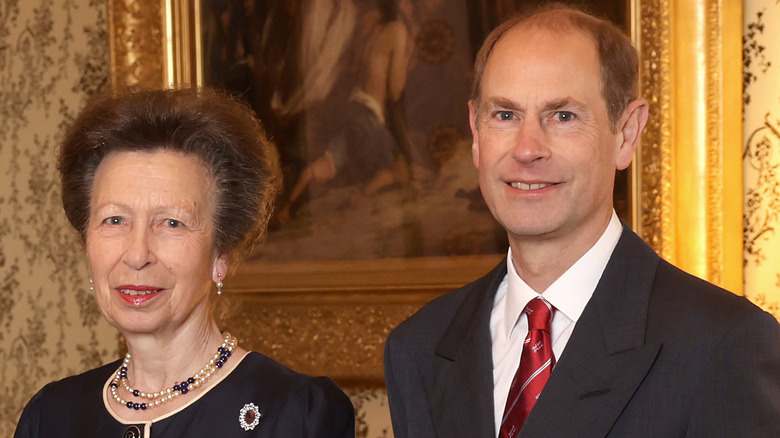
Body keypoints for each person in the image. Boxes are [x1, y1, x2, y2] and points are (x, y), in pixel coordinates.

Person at [384, 4, 780, 438]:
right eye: (505, 115)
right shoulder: (419, 348)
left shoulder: (723, 344)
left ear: (626, 133)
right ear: (476, 135)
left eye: (563, 116)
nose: (527, 148)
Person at [14, 87, 355, 437]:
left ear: (222, 253)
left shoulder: (299, 415)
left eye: (171, 223)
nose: (136, 254)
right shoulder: (50, 417)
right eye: (114, 220)